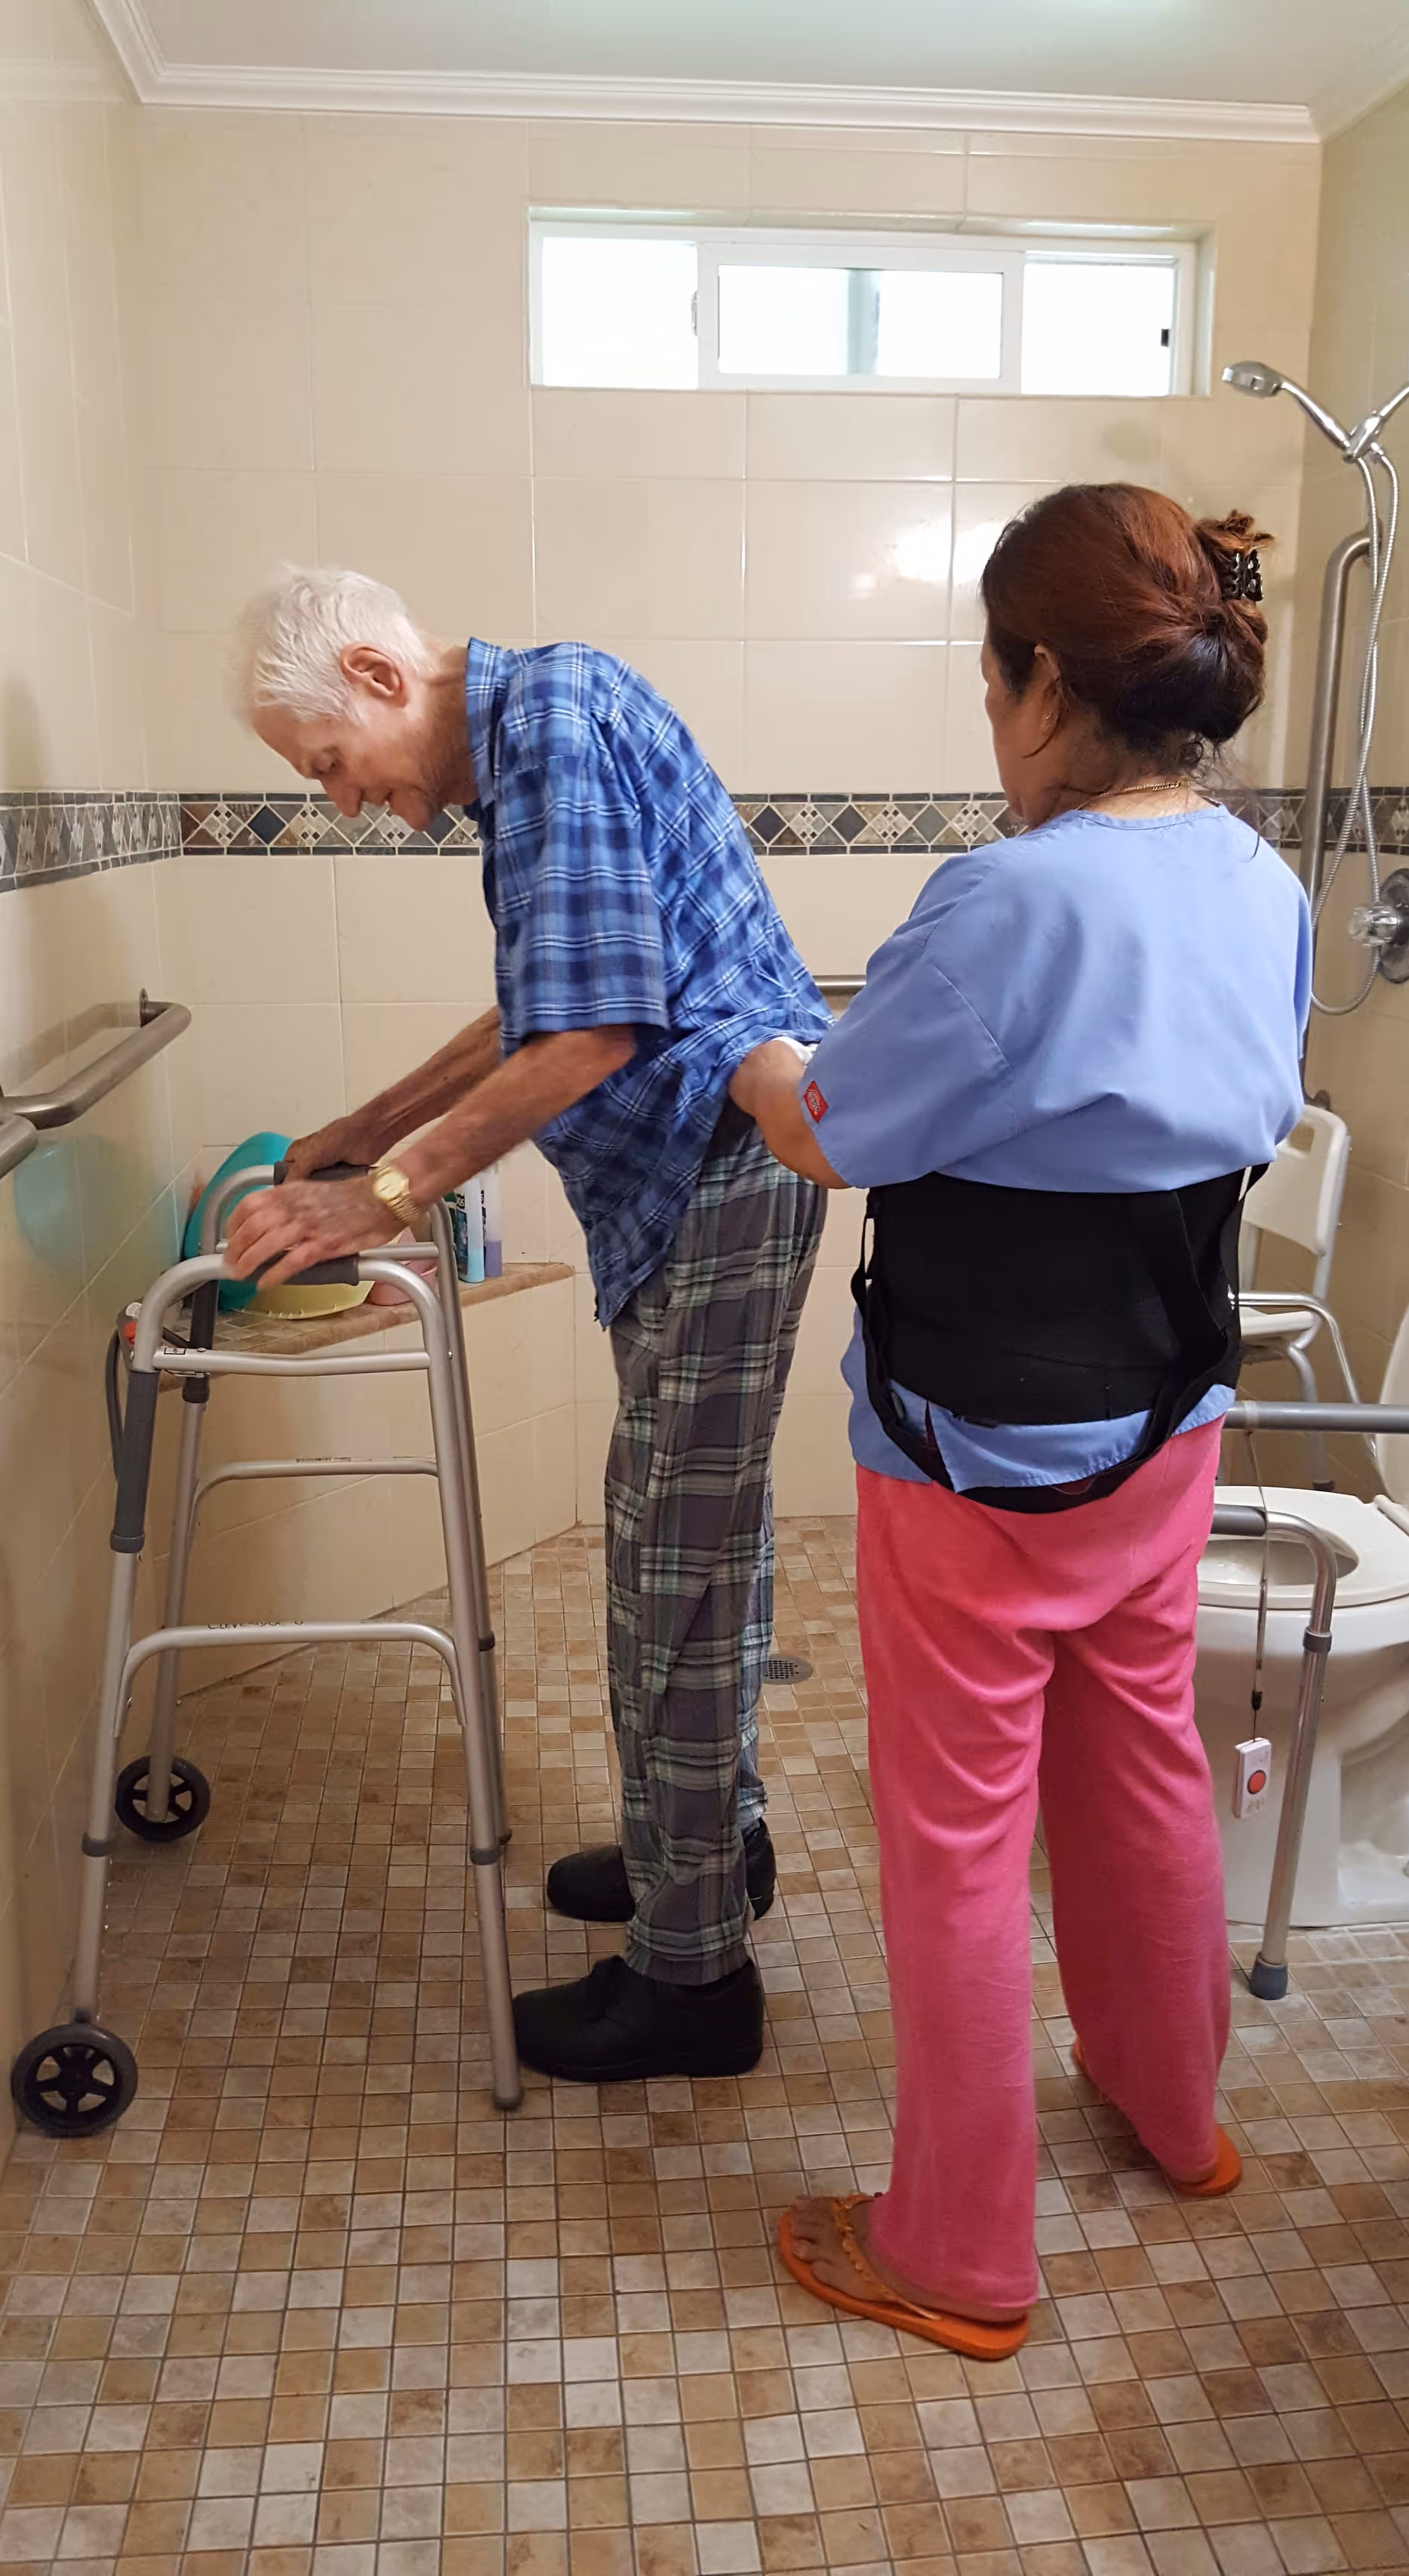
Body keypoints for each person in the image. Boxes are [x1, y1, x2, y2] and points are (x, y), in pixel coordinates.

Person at [729, 485, 1311, 2357]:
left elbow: (839, 1130)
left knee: (960, 1834)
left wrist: (754, 1054)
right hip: (1167, 1417)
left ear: (1043, 677)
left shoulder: (1006, 897)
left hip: (974, 1448)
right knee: (1142, 1756)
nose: (990, 721)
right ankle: (1177, 2107)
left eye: (991, 681)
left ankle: (962, 2251)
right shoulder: (1266, 883)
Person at [225, 568, 829, 2082]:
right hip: (695, 1178)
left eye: (325, 762)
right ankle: (708, 1849)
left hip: (724, 1161)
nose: (345, 799)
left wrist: (388, 1194)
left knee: (666, 1562)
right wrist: (367, 1124)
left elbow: (598, 1032)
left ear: (373, 669)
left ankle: (695, 1981)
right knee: (700, 1542)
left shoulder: (551, 718)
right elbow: (543, 1006)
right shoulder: (536, 734)